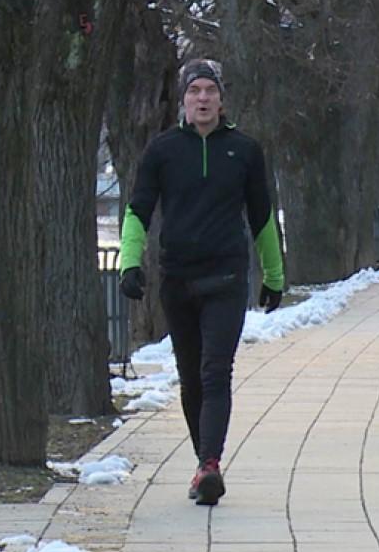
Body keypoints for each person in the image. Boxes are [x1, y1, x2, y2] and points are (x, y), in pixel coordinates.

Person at [118, 59, 285, 507]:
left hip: (227, 276)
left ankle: (210, 463)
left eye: (210, 90)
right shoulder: (162, 150)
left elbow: (262, 215)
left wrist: (274, 276)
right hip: (177, 278)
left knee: (216, 372)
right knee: (191, 378)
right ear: (183, 100)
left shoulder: (244, 150)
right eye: (195, 91)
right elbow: (138, 210)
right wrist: (129, 264)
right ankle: (203, 463)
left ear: (222, 98)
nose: (203, 98)